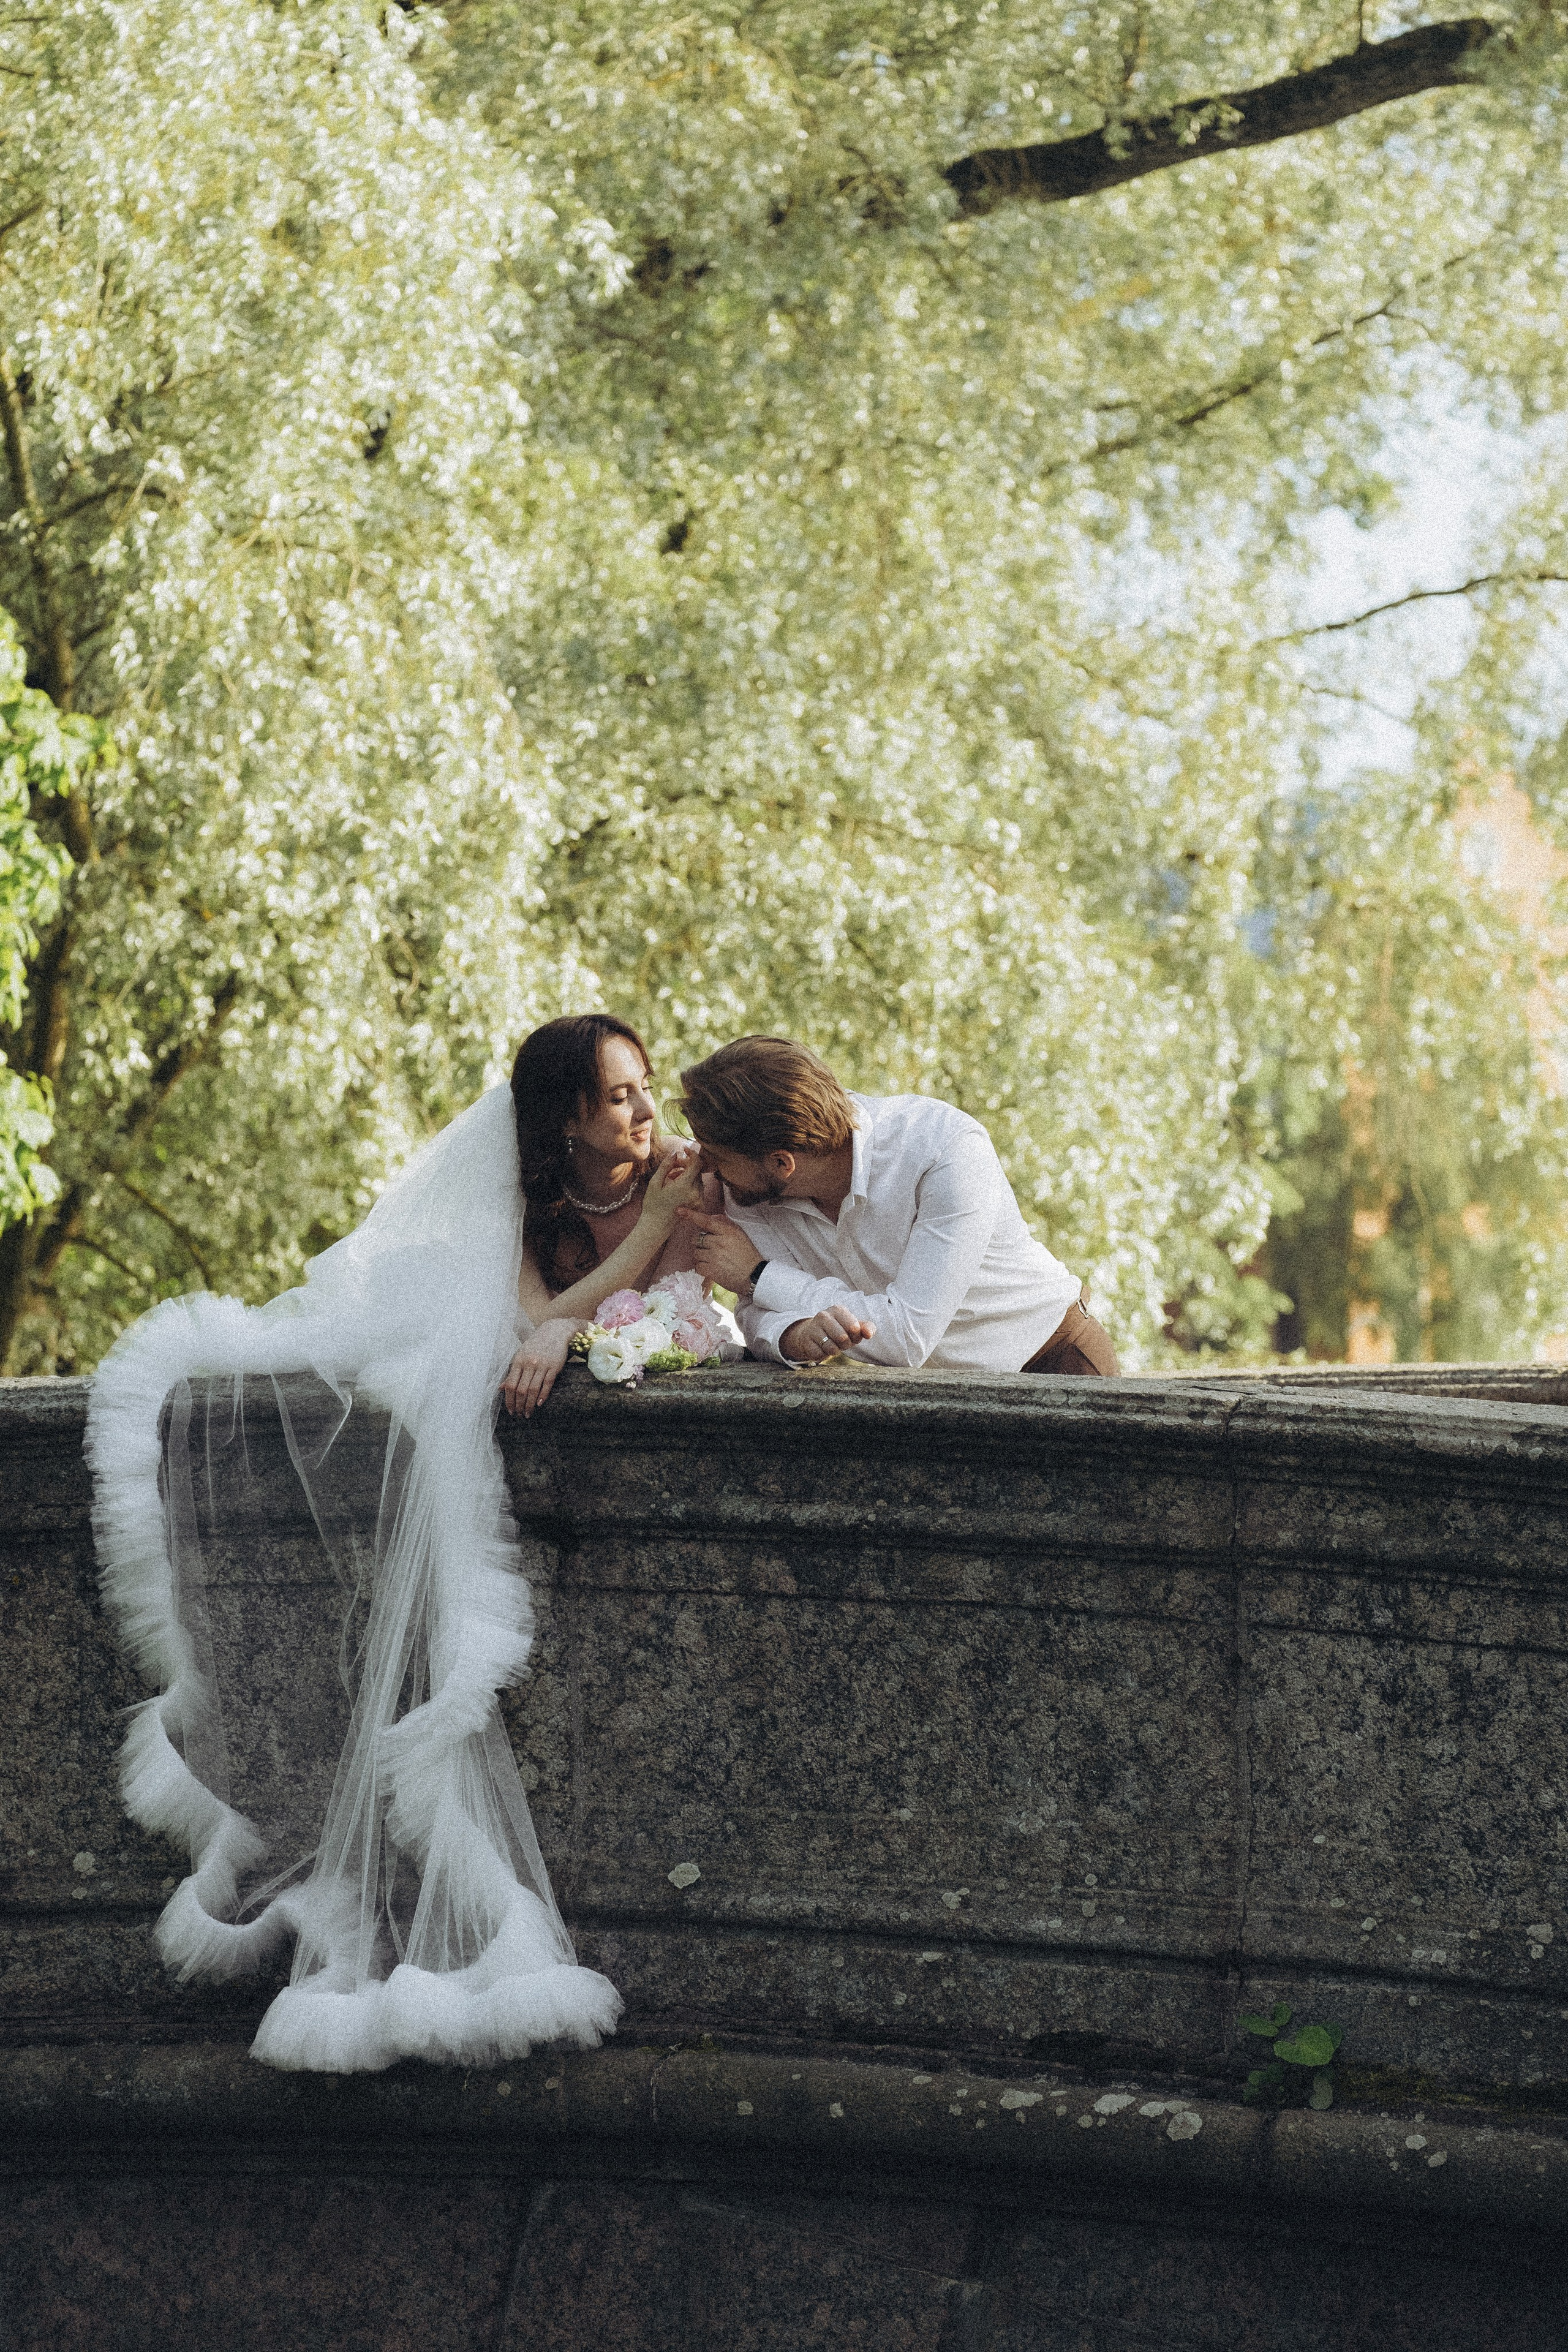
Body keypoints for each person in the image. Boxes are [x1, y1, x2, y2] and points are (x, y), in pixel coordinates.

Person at [83, 1012, 703, 2076]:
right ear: (563, 1121)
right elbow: (524, 1321)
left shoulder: (686, 1182)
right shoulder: (526, 1199)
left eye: (646, 1087)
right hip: (439, 1349)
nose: (647, 1111)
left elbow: (715, 1293)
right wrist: (628, 1259)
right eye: (618, 1097)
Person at [673, 1034, 1118, 1376]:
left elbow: (907, 1336)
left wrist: (759, 1275)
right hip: (934, 1400)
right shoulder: (751, 1187)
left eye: (716, 1153)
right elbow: (756, 1312)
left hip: (1053, 1360)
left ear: (781, 1163)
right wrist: (792, 1337)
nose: (703, 1161)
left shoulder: (944, 1149)